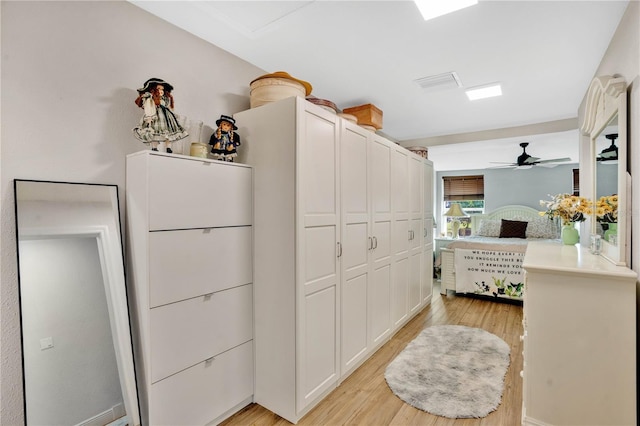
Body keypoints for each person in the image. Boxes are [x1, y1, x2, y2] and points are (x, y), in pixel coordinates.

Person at [133, 78, 188, 152]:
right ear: (153, 90)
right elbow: (148, 107)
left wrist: (173, 115)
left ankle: (168, 147)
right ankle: (154, 147)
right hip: (154, 116)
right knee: (154, 133)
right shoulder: (150, 99)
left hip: (166, 117)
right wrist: (149, 117)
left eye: (162, 89)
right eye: (159, 89)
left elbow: (168, 107)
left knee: (168, 132)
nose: (161, 91)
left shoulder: (165, 99)